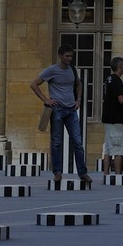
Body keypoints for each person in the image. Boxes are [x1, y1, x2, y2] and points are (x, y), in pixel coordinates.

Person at [29, 46, 91, 187]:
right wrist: (46, 99)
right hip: (57, 109)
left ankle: (82, 172)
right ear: (60, 56)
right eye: (67, 56)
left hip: (71, 109)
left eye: (71, 56)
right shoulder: (52, 70)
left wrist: (79, 99)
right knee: (57, 142)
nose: (70, 59)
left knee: (77, 141)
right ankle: (57, 172)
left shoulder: (72, 70)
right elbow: (34, 84)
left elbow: (78, 84)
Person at [100, 56, 123, 173]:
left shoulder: (109, 79)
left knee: (108, 149)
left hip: (107, 118)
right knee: (118, 149)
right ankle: (117, 175)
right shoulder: (117, 80)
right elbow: (121, 99)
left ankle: (106, 173)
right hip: (115, 119)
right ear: (120, 66)